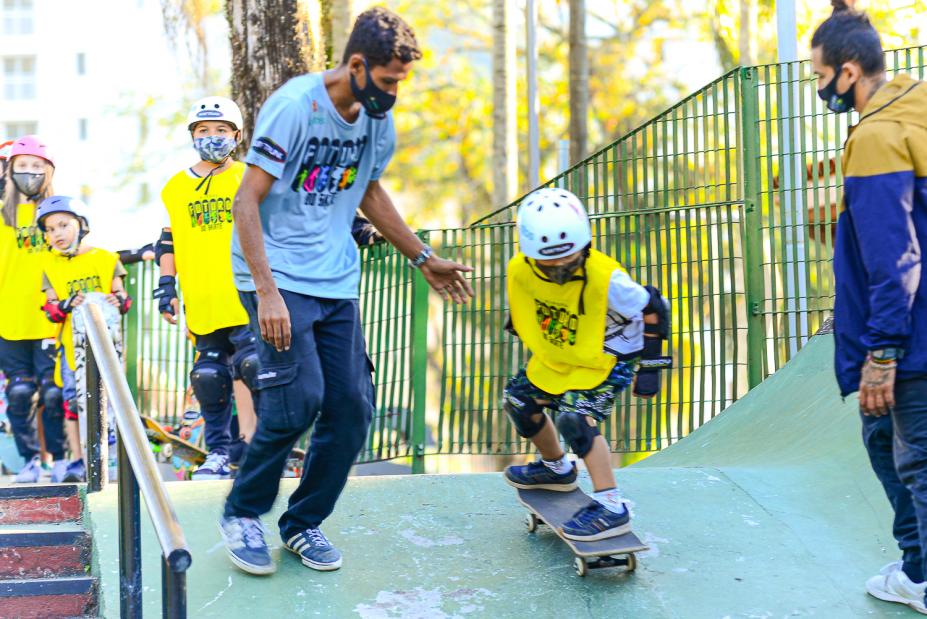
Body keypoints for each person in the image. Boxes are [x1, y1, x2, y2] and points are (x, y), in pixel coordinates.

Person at [219, 6, 472, 576]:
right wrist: (266, 293)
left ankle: (302, 523)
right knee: (297, 400)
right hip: (275, 276)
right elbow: (245, 200)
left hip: (333, 278)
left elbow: (370, 192)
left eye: (401, 83)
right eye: (387, 81)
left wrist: (422, 256)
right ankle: (242, 512)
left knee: (353, 408)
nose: (394, 94)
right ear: (356, 64)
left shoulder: (377, 121)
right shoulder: (294, 108)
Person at [811, 1, 927, 613]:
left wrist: (881, 352)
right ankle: (917, 566)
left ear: (850, 72)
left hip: (909, 335)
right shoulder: (913, 104)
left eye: (821, 74)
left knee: (917, 458)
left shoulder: (878, 137)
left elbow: (893, 259)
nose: (819, 85)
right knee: (882, 436)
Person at [501, 188, 670, 540]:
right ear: (531, 255)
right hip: (567, 351)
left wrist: (651, 366)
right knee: (518, 400)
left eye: (570, 261)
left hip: (610, 356)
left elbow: (655, 308)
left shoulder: (608, 279)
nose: (562, 270)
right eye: (551, 264)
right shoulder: (520, 269)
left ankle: (611, 506)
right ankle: (556, 469)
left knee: (574, 418)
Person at [154, 96, 260, 480]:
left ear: (236, 135)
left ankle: (257, 449)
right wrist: (167, 287)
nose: (212, 137)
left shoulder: (249, 177)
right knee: (209, 376)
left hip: (248, 296)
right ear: (192, 136)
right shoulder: (176, 187)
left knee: (254, 367)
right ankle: (218, 452)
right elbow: (167, 241)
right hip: (203, 299)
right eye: (203, 131)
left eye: (220, 130)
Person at [37, 196, 131, 482]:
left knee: (110, 398)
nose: (57, 234)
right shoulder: (49, 266)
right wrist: (65, 305)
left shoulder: (105, 258)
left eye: (64, 225)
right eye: (51, 229)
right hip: (72, 347)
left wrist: (119, 300)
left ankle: (110, 454)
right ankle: (78, 459)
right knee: (72, 401)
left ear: (81, 224)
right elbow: (50, 309)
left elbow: (122, 297)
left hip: (106, 344)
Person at [0, 136, 67, 483]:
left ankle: (58, 460)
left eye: (37, 166)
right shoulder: (1, 213)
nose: (29, 173)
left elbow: (77, 251)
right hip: (9, 318)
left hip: (49, 320)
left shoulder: (58, 213)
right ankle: (29, 461)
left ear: (49, 172)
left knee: (54, 392)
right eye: (22, 166)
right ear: (9, 170)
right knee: (20, 392)